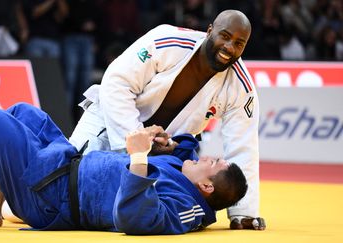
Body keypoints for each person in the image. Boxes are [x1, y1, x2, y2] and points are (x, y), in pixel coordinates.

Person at [69, 10, 265, 230]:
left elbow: (243, 147)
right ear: (210, 31)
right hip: (107, 122)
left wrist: (243, 212)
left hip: (161, 155)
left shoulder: (240, 88)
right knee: (63, 180)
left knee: (112, 207)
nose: (229, 47)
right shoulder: (167, 41)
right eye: (225, 36)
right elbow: (116, 82)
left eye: (239, 43)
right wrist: (135, 146)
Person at [0, 103, 248, 235]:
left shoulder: (184, 208)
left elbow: (133, 219)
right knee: (24, 112)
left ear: (206, 188)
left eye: (211, 164)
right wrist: (162, 143)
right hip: (65, 162)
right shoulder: (186, 177)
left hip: (51, 196)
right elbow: (185, 149)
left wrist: (139, 157)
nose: (206, 157)